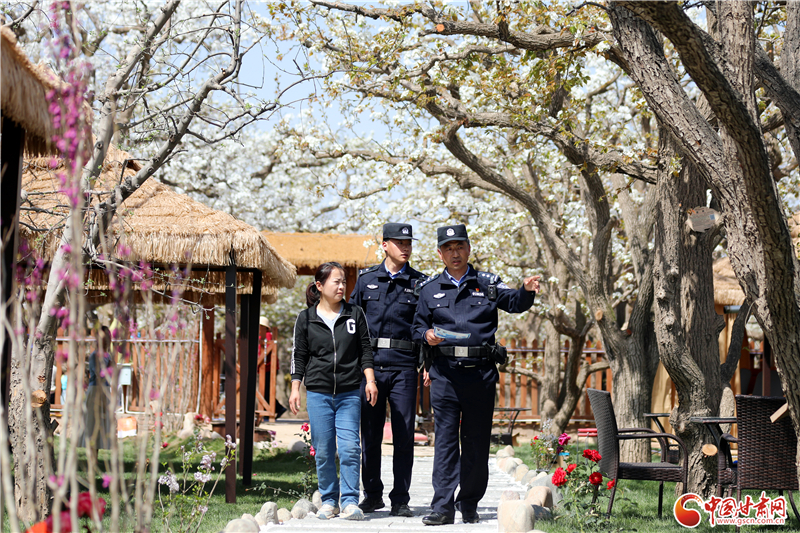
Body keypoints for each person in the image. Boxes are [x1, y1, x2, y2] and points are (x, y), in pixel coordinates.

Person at [413, 224, 540, 525]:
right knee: (445, 442)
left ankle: (468, 502)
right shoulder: (429, 288)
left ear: (469, 249)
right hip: (445, 375)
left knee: (476, 442)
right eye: (448, 248)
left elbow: (514, 303)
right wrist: (427, 334)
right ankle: (442, 507)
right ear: (440, 253)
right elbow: (417, 326)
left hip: (480, 375)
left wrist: (526, 291)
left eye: (460, 247)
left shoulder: (488, 283)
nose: (455, 253)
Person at [289, 262, 378, 521]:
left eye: (343, 282)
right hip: (318, 393)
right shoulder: (306, 318)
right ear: (320, 285)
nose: (341, 287)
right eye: (336, 282)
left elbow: (365, 349)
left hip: (349, 392)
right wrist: (295, 388)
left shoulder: (354, 314)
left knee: (350, 447)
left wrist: (370, 380)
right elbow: (299, 355)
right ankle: (329, 501)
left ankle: (349, 501)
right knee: (324, 449)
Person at [349, 223, 427, 517]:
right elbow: (352, 322)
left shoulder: (420, 283)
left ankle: (401, 499)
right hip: (370, 368)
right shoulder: (366, 280)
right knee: (370, 434)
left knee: (404, 434)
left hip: (404, 367)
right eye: (399, 243)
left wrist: (426, 364)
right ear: (384, 245)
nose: (405, 247)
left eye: (408, 243)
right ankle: (372, 495)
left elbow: (426, 326)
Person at [83, 325, 115, 450]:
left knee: (102, 424)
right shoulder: (94, 356)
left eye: (108, 337)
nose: (106, 340)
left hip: (105, 391)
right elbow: (99, 374)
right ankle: (92, 457)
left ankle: (95, 456)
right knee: (93, 425)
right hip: (95, 391)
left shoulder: (108, 356)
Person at [258, 316, 286, 419]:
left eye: (261, 326)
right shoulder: (260, 338)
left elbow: (266, 351)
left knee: (267, 391)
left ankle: (275, 409)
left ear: (265, 328)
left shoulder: (268, 336)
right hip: (263, 368)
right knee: (264, 391)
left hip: (269, 368)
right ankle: (274, 409)